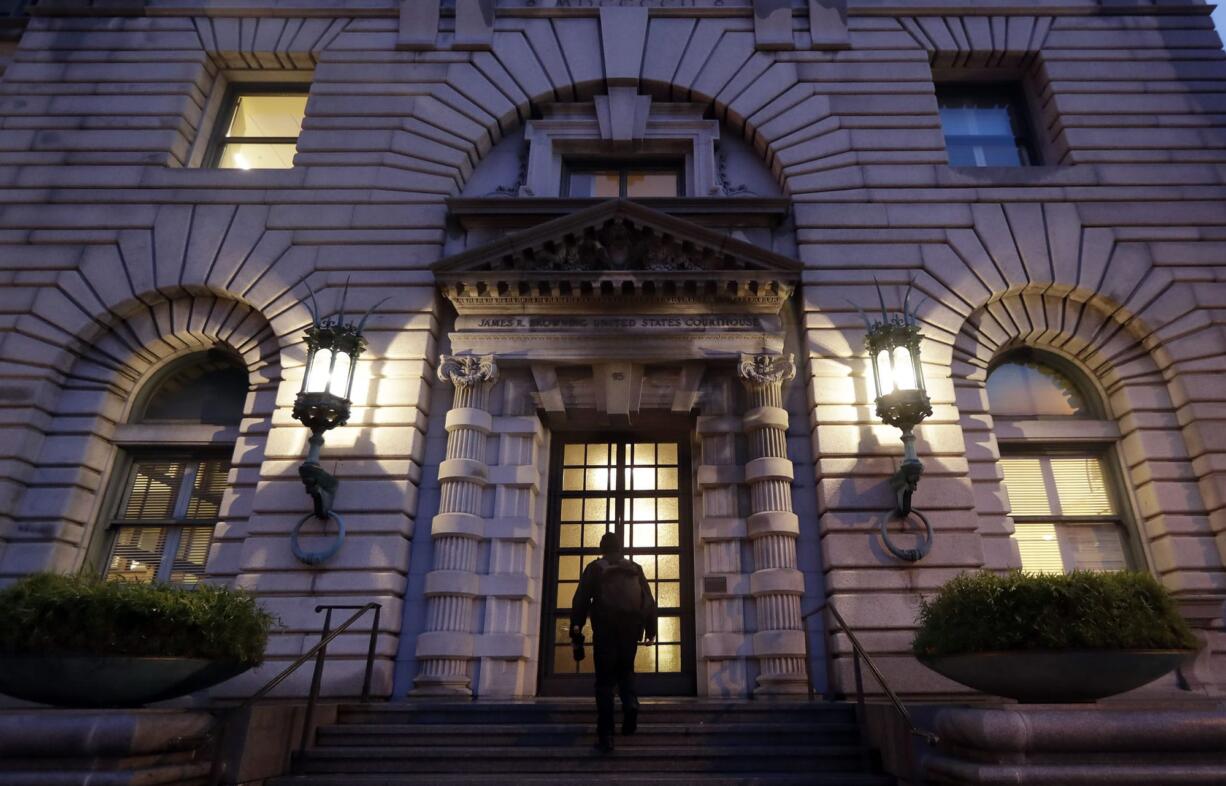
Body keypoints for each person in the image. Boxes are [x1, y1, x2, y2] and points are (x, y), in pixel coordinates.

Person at [570, 532, 657, 753]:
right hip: (630, 631)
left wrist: (576, 629)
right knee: (626, 671)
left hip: (605, 631)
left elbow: (580, 600)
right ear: (620, 548)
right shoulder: (635, 568)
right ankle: (631, 705)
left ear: (602, 548)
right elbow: (648, 600)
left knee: (604, 682)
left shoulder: (595, 568)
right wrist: (651, 630)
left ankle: (606, 735)